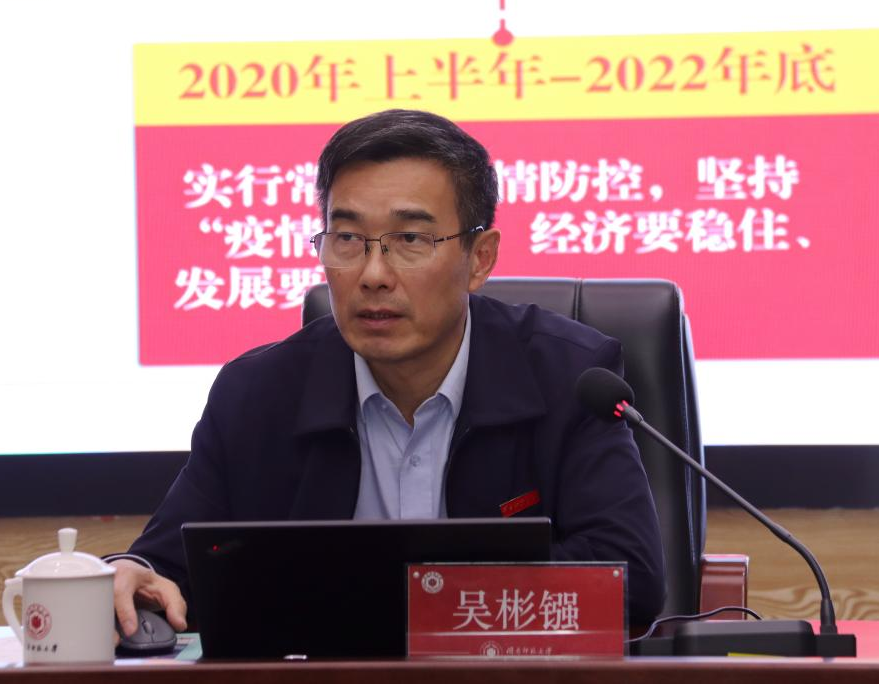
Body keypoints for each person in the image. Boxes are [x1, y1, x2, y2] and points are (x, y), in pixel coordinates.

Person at [110, 108, 665, 637]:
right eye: (348, 239)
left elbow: (629, 578)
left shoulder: (570, 379)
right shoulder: (257, 395)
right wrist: (128, 573)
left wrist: (399, 599)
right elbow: (165, 568)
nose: (373, 274)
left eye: (411, 239)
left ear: (480, 258)